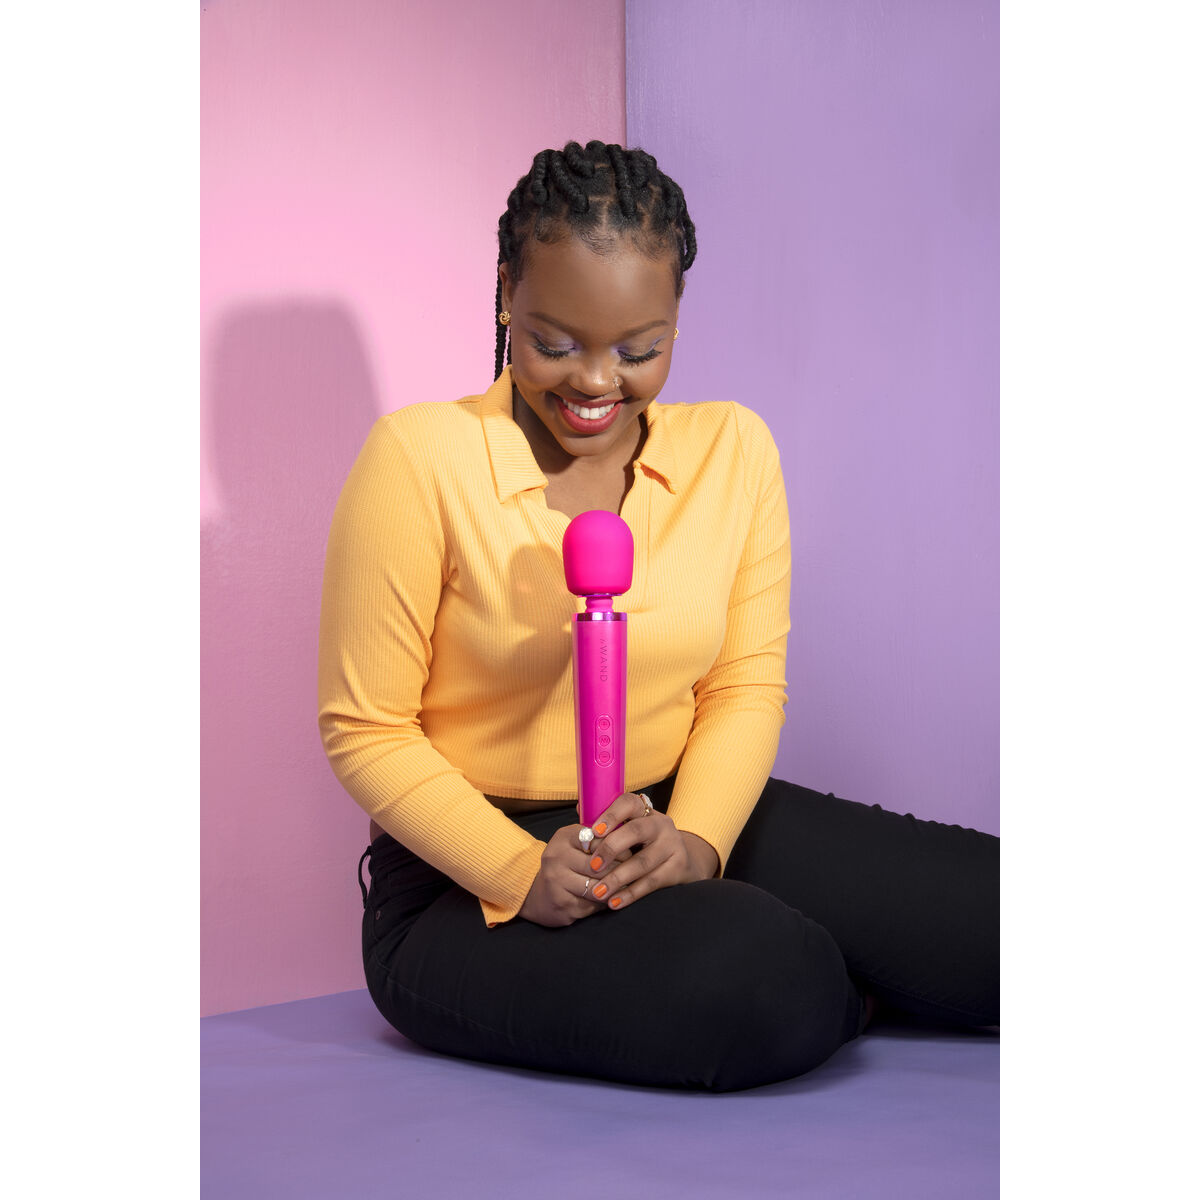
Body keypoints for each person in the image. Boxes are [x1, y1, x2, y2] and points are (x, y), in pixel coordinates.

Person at [318, 140, 998, 1092]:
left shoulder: (733, 451)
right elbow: (365, 729)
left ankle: (833, 962)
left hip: (670, 813)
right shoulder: (419, 458)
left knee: (995, 917)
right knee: (769, 979)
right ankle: (845, 989)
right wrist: (516, 869)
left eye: (639, 351)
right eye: (556, 344)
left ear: (676, 317)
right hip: (462, 886)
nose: (596, 384)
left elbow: (743, 685)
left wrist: (699, 842)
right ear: (508, 292)